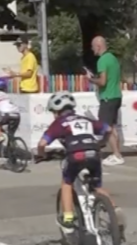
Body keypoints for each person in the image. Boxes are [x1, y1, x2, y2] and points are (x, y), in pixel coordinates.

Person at [37, 91, 124, 233]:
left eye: (53, 112)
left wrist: (41, 155)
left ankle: (68, 218)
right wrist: (101, 141)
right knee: (96, 186)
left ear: (58, 112)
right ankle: (114, 210)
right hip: (94, 153)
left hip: (75, 155)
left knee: (67, 182)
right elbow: (108, 129)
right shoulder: (86, 120)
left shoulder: (59, 123)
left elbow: (42, 144)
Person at [86, 36, 124, 165]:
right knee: (111, 127)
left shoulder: (102, 60)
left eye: (92, 47)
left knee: (107, 127)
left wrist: (91, 79)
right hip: (116, 95)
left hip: (108, 97)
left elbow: (102, 82)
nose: (92, 50)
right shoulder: (113, 58)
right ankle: (106, 148)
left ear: (98, 46)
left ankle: (116, 154)